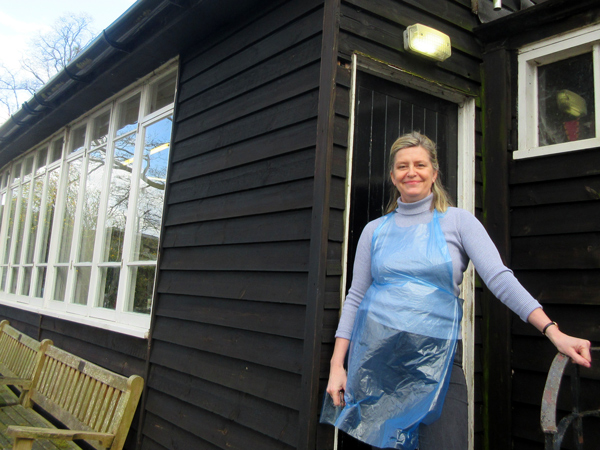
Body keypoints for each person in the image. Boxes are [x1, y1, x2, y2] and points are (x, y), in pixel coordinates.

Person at [322, 131, 592, 450]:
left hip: (440, 361)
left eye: (420, 164)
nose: (412, 172)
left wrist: (553, 331)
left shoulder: (458, 223)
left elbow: (500, 279)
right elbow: (356, 297)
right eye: (402, 166)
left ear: (434, 173)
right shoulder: (374, 232)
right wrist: (337, 366)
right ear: (393, 176)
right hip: (379, 363)